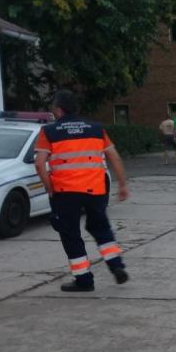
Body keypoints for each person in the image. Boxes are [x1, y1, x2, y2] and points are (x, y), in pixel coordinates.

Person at [33, 90, 130, 292]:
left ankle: (84, 280)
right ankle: (117, 266)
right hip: (95, 190)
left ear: (58, 110)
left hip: (64, 192)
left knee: (71, 235)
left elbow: (40, 164)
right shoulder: (96, 129)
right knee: (101, 228)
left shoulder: (49, 131)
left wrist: (50, 189)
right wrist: (122, 185)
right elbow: (114, 157)